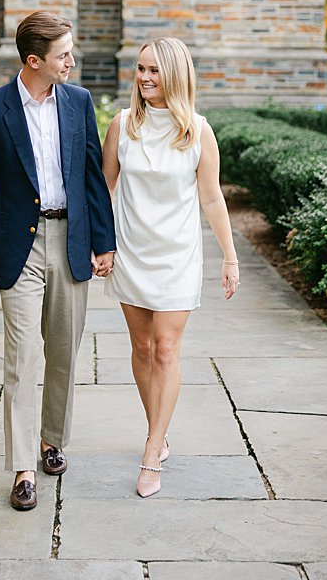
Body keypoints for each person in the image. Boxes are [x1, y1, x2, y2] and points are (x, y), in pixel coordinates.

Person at [0, 11, 117, 512]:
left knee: (65, 352)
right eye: (63, 55)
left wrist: (103, 241)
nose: (72, 61)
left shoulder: (79, 102)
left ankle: (52, 442)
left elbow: (91, 175)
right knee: (22, 358)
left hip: (71, 238)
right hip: (17, 246)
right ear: (34, 61)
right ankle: (24, 467)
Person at [99, 37, 241, 498]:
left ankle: (152, 449)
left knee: (165, 349)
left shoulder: (198, 131)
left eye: (154, 71)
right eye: (140, 69)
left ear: (175, 75)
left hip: (178, 255)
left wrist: (230, 257)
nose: (143, 78)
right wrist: (98, 246)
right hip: (131, 252)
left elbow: (212, 198)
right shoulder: (121, 125)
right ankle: (156, 429)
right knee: (141, 349)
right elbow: (105, 189)